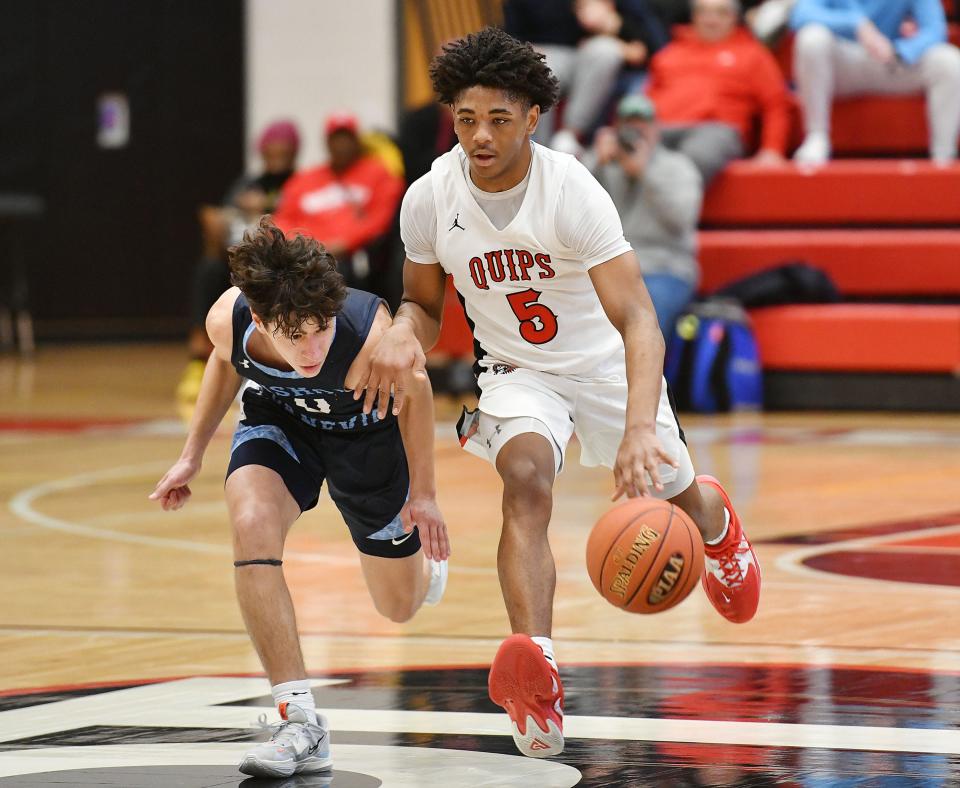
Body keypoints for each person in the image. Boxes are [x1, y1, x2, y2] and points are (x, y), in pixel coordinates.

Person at [354, 27, 761, 759]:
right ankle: (535, 672)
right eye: (467, 119)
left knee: (673, 492)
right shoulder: (430, 198)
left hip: (605, 366)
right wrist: (397, 332)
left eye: (499, 119)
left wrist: (638, 429)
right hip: (518, 371)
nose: (480, 136)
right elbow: (423, 302)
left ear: (533, 117)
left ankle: (716, 519)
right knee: (526, 480)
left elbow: (640, 319)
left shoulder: (571, 189)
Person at [150, 218, 450, 778]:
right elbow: (224, 361)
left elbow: (421, 393)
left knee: (398, 606)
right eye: (294, 336)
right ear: (262, 320)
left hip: (366, 434)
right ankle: (300, 722)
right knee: (251, 519)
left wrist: (426, 496)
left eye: (320, 330)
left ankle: (419, 570)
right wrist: (191, 454)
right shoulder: (230, 320)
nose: (311, 349)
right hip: (282, 420)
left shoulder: (370, 337)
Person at [178, 120, 300, 403]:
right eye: (271, 150)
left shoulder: (301, 183)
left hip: (283, 262)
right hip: (244, 257)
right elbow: (228, 220)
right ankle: (200, 354)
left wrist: (268, 211)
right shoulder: (247, 184)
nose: (276, 156)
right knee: (209, 270)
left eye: (283, 150)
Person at [583, 94, 702, 338]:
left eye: (642, 123)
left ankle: (647, 377)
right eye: (628, 123)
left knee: (644, 319)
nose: (635, 130)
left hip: (664, 268)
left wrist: (644, 173)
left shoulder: (677, 166)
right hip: (609, 268)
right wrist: (595, 162)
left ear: (656, 128)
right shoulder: (604, 163)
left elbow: (681, 220)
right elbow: (569, 207)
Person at [791, 0, 960, 165]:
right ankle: (816, 137)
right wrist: (856, 24)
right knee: (811, 38)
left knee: (948, 60)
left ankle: (944, 156)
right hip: (843, 61)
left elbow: (935, 29)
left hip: (894, 62)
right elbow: (801, 14)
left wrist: (901, 51)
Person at [645, 0, 790, 184]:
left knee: (690, 160)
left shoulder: (753, 55)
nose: (711, 19)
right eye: (703, 12)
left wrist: (772, 150)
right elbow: (646, 101)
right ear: (694, 16)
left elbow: (775, 104)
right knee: (610, 157)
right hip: (661, 130)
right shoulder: (669, 54)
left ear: (734, 17)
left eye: (721, 13)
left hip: (714, 131)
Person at [504, 0, 667, 154]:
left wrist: (613, 22)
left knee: (605, 51)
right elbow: (510, 36)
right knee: (538, 64)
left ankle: (569, 136)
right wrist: (526, 49)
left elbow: (653, 40)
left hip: (598, 54)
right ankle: (537, 151)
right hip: (546, 53)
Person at [273, 112, 405, 291]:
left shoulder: (379, 174)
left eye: (347, 138)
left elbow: (381, 220)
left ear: (357, 140)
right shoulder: (303, 179)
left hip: (352, 259)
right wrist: (302, 246)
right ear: (326, 142)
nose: (341, 145)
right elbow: (282, 219)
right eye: (336, 138)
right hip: (304, 255)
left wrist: (345, 243)